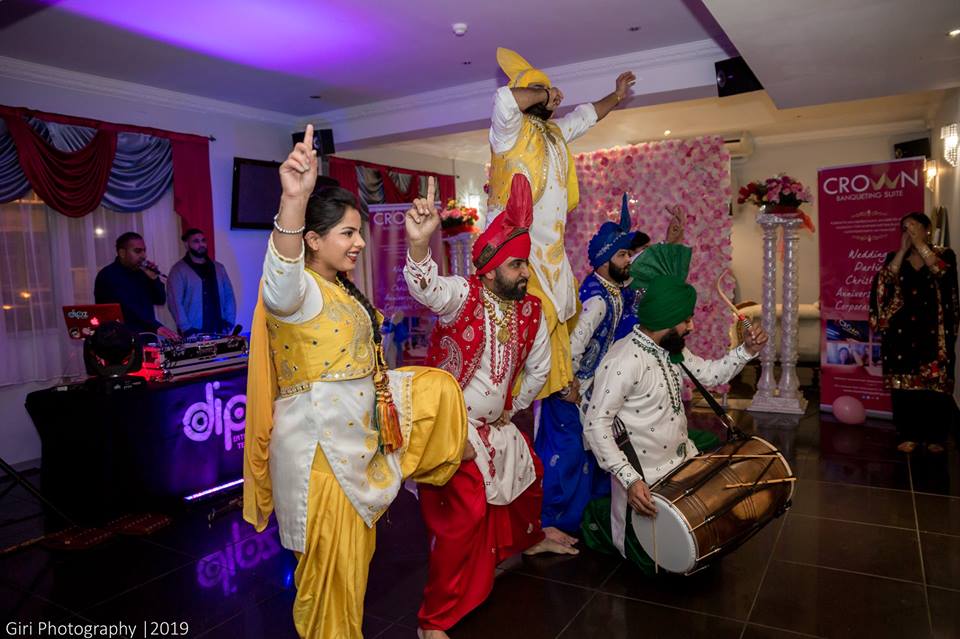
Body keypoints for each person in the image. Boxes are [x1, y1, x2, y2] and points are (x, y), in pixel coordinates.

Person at [242, 125, 468, 639]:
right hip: (319, 457)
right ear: (313, 240)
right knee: (331, 585)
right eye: (348, 232)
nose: (360, 242)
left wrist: (417, 244)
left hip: (352, 445)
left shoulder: (338, 289)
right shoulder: (296, 290)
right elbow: (278, 279)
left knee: (353, 574)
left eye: (358, 231)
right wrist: (292, 202)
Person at [404, 173, 577, 639]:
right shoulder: (464, 295)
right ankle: (432, 621)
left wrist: (512, 406)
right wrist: (421, 247)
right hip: (451, 428)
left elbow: (539, 369)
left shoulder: (530, 311)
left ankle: (529, 540)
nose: (525, 273)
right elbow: (426, 288)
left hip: (493, 423)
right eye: (518, 265)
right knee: (464, 518)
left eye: (526, 265)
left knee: (526, 476)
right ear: (493, 266)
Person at [580, 243, 767, 572]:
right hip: (645, 482)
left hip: (681, 465)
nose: (691, 326)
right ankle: (599, 518)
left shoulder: (671, 349)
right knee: (663, 566)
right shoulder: (623, 361)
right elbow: (596, 425)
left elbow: (709, 374)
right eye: (685, 319)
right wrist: (630, 480)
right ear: (665, 319)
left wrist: (745, 351)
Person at [486, 47, 636, 400]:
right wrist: (543, 92)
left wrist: (615, 96)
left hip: (551, 252)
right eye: (544, 91)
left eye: (551, 90)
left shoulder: (553, 134)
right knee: (533, 323)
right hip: (516, 249)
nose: (555, 95)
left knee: (557, 322)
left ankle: (536, 395)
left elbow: (586, 116)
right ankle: (510, 396)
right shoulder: (509, 133)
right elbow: (503, 100)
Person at [536, 194, 639, 533]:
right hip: (569, 393)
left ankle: (586, 519)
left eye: (628, 254)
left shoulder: (614, 290)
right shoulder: (596, 298)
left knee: (591, 455)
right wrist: (569, 387)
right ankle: (555, 524)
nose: (629, 261)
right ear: (604, 259)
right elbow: (570, 347)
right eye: (623, 255)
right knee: (566, 459)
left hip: (589, 390)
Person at [869, 211, 959, 454]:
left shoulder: (944, 254)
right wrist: (902, 250)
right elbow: (885, 281)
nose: (909, 230)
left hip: (934, 331)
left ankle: (935, 437)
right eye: (905, 227)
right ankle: (908, 433)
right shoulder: (895, 257)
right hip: (901, 331)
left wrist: (921, 245)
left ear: (927, 228)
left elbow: (941, 272)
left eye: (914, 226)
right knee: (904, 386)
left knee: (935, 386)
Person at [94, 232, 178, 340]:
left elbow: (160, 300)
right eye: (138, 251)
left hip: (147, 338)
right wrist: (156, 326)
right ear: (122, 253)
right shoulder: (108, 275)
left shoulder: (142, 272)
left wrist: (154, 279)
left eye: (144, 250)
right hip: (120, 341)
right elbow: (128, 308)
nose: (144, 256)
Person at [166, 228, 237, 336]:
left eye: (203, 240)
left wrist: (229, 322)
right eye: (196, 241)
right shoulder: (178, 270)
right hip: (193, 332)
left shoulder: (218, 268)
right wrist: (186, 329)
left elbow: (229, 296)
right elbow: (175, 302)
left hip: (219, 329)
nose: (201, 244)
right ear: (186, 244)